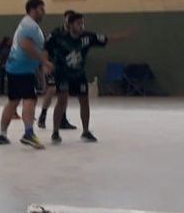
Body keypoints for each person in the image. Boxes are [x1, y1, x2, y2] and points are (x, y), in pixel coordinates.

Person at [46, 12, 129, 143]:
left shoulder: (87, 37)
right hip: (62, 74)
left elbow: (106, 39)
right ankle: (55, 132)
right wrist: (46, 64)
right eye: (78, 23)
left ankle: (85, 131)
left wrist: (124, 36)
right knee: (62, 100)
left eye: (82, 23)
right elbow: (44, 47)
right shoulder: (58, 37)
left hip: (79, 74)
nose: (81, 26)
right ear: (70, 25)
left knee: (84, 100)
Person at [0, 0, 50, 149]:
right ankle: (28, 133)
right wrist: (43, 61)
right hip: (22, 69)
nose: (44, 12)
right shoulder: (29, 25)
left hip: (14, 67)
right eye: (41, 9)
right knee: (29, 99)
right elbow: (24, 44)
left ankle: (2, 134)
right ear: (33, 9)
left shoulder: (28, 24)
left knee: (13, 100)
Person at [38, 10, 77, 130]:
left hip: (66, 68)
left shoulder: (75, 35)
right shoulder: (56, 33)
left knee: (63, 93)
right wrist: (45, 64)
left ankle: (62, 119)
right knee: (51, 88)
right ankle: (42, 116)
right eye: (68, 18)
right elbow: (45, 48)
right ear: (65, 20)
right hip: (52, 65)